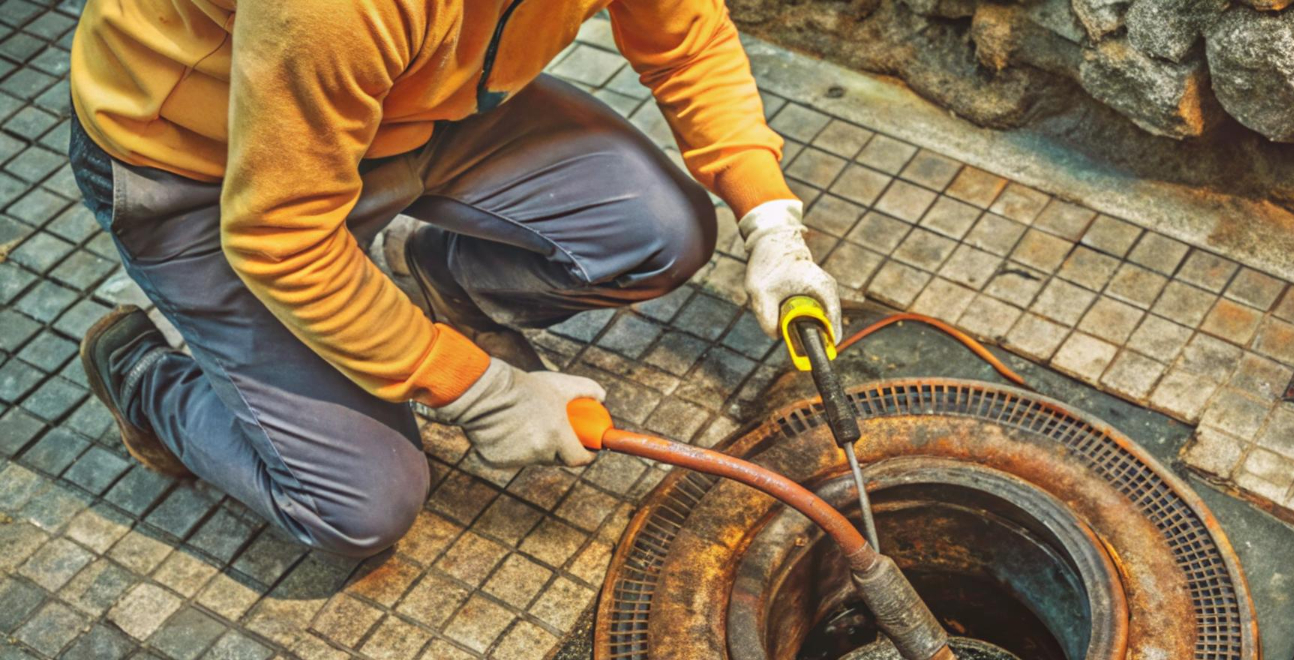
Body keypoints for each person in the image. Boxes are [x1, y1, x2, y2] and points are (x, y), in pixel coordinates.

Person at [68, 0, 840, 558]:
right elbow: (282, 238)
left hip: (409, 111)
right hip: (200, 164)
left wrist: (770, 220)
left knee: (657, 232)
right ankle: (142, 375)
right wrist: (478, 390)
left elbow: (688, 46)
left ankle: (423, 280)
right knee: (361, 506)